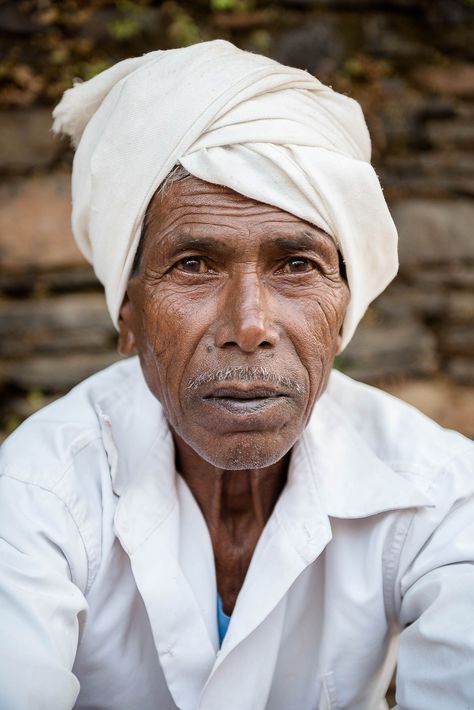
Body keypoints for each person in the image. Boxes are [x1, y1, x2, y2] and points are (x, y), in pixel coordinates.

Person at [0, 40, 473, 710]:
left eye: (297, 265)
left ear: (343, 312)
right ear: (128, 314)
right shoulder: (36, 494)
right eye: (194, 263)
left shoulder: (441, 496)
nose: (249, 324)